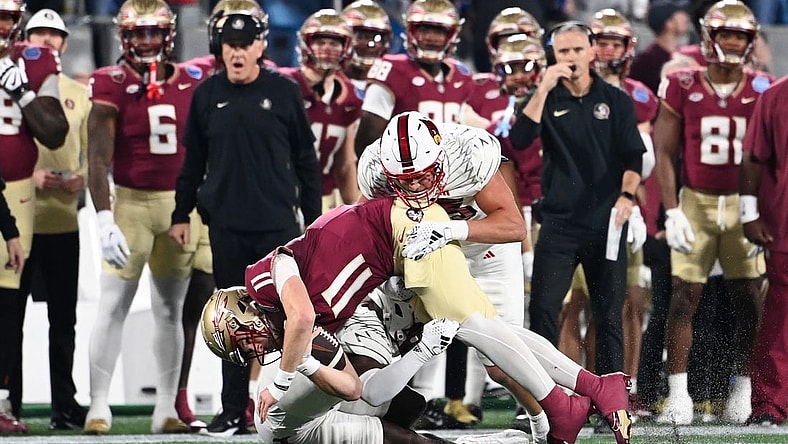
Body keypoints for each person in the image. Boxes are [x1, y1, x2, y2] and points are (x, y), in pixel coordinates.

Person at [169, 11, 321, 436]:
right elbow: (192, 163)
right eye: (229, 45)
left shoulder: (285, 92)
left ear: (259, 47)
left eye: (244, 44)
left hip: (277, 229)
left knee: (284, 319)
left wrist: (312, 227)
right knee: (228, 321)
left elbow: (307, 165)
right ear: (221, 49)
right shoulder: (205, 95)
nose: (236, 53)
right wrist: (181, 213)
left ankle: (281, 407)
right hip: (226, 227)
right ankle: (232, 409)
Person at [83, 0, 208, 434]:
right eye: (138, 34)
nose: (147, 41)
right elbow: (96, 161)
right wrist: (103, 218)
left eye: (154, 32)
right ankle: (98, 405)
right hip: (132, 203)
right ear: (124, 37)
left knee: (171, 311)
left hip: (178, 206)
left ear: (169, 35)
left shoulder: (193, 80)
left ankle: (165, 411)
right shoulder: (110, 81)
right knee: (112, 305)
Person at [352, 0, 476, 427]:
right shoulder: (392, 72)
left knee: (440, 304)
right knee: (404, 303)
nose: (430, 40)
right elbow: (366, 142)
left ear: (453, 35)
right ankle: (407, 399)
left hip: (444, 209)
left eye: (438, 32)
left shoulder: (463, 78)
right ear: (408, 31)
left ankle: (433, 401)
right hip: (404, 206)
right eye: (423, 30)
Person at [653, 0, 771, 425]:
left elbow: (772, 155)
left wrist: (763, 207)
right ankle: (678, 394)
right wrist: (671, 210)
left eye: (741, 36)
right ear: (710, 38)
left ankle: (744, 388)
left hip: (744, 204)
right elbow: (663, 152)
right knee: (684, 297)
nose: (734, 43)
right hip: (697, 201)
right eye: (727, 35)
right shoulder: (683, 84)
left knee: (748, 300)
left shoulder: (763, 88)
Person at [508, 21, 645, 386]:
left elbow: (634, 158)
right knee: (542, 312)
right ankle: (543, 396)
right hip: (558, 224)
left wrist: (628, 197)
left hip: (606, 223)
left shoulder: (615, 100)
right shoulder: (546, 98)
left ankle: (612, 403)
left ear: (591, 52)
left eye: (577, 50)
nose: (570, 58)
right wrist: (543, 87)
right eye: (562, 51)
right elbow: (519, 140)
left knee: (608, 315)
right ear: (553, 55)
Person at [13, 8, 90, 432]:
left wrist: (82, 178)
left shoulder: (80, 91)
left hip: (63, 219)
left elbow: (91, 151)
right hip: (18, 220)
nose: (45, 41)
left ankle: (64, 403)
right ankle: (12, 402)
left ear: (63, 42)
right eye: (38, 33)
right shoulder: (10, 89)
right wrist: (28, 174)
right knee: (11, 318)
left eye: (52, 34)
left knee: (64, 320)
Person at [0, 0, 69, 432]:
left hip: (16, 190)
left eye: (6, 17)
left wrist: (21, 90)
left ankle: (4, 402)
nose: (0, 25)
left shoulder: (35, 59)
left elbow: (55, 130)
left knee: (8, 298)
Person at [740, 75, 788, 428]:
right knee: (780, 317)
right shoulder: (775, 96)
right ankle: (770, 402)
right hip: (785, 221)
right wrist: (748, 212)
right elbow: (754, 157)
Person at [280, 9, 360, 213]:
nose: (327, 49)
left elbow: (345, 164)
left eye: (334, 43)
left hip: (322, 197)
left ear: (346, 47)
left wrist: (355, 210)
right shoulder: (284, 84)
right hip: (280, 192)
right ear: (307, 44)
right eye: (320, 42)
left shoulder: (349, 96)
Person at [628, 0, 691, 94]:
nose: (686, 17)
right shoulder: (645, 61)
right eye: (679, 15)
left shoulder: (686, 55)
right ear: (668, 24)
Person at [341, 0, 392, 91]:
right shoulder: (330, 81)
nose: (371, 45)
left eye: (377, 38)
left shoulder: (395, 83)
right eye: (362, 37)